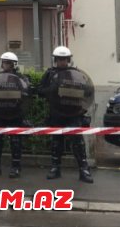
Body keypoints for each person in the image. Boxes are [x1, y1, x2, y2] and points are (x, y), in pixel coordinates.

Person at [38, 46, 94, 183]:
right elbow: (40, 90)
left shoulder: (75, 74)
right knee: (56, 142)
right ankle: (55, 168)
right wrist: (51, 90)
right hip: (57, 113)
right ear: (55, 60)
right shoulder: (49, 74)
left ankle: (84, 170)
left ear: (69, 60)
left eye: (64, 59)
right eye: (59, 59)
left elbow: (86, 90)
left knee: (77, 142)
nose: (62, 62)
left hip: (73, 113)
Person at [0, 52, 31, 178]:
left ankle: (16, 167)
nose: (6, 65)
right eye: (4, 62)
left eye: (8, 63)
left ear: (14, 64)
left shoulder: (22, 78)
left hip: (15, 113)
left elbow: (27, 92)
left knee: (15, 141)